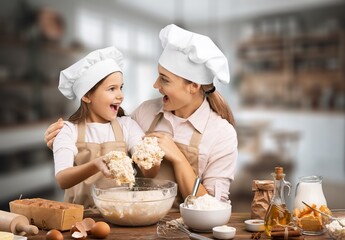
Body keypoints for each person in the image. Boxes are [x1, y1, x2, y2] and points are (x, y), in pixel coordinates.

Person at [45, 24, 238, 208]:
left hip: (186, 226)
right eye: (158, 76)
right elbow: (109, 132)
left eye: (164, 79)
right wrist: (62, 140)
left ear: (194, 86)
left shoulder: (221, 133)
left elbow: (214, 208)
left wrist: (178, 159)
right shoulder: (146, 112)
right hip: (136, 220)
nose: (155, 85)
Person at [52, 46, 144, 208]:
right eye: (111, 89)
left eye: (121, 87)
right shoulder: (69, 130)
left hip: (121, 215)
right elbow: (62, 179)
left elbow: (147, 164)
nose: (121, 95)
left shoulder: (127, 126)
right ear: (87, 96)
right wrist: (95, 164)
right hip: (79, 217)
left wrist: (149, 156)